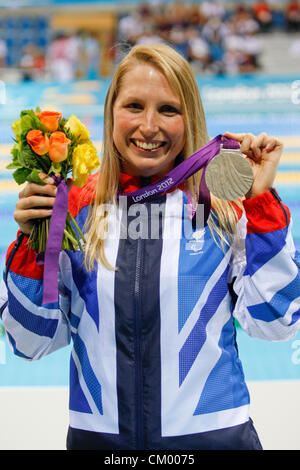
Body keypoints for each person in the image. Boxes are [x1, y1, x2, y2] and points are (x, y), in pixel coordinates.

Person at [1, 43, 300, 451]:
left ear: (189, 117)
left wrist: (261, 204)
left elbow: (277, 322)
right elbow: (29, 342)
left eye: (168, 110)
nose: (149, 125)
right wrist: (33, 244)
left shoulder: (221, 207)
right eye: (134, 106)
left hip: (216, 440)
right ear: (111, 114)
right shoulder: (74, 212)